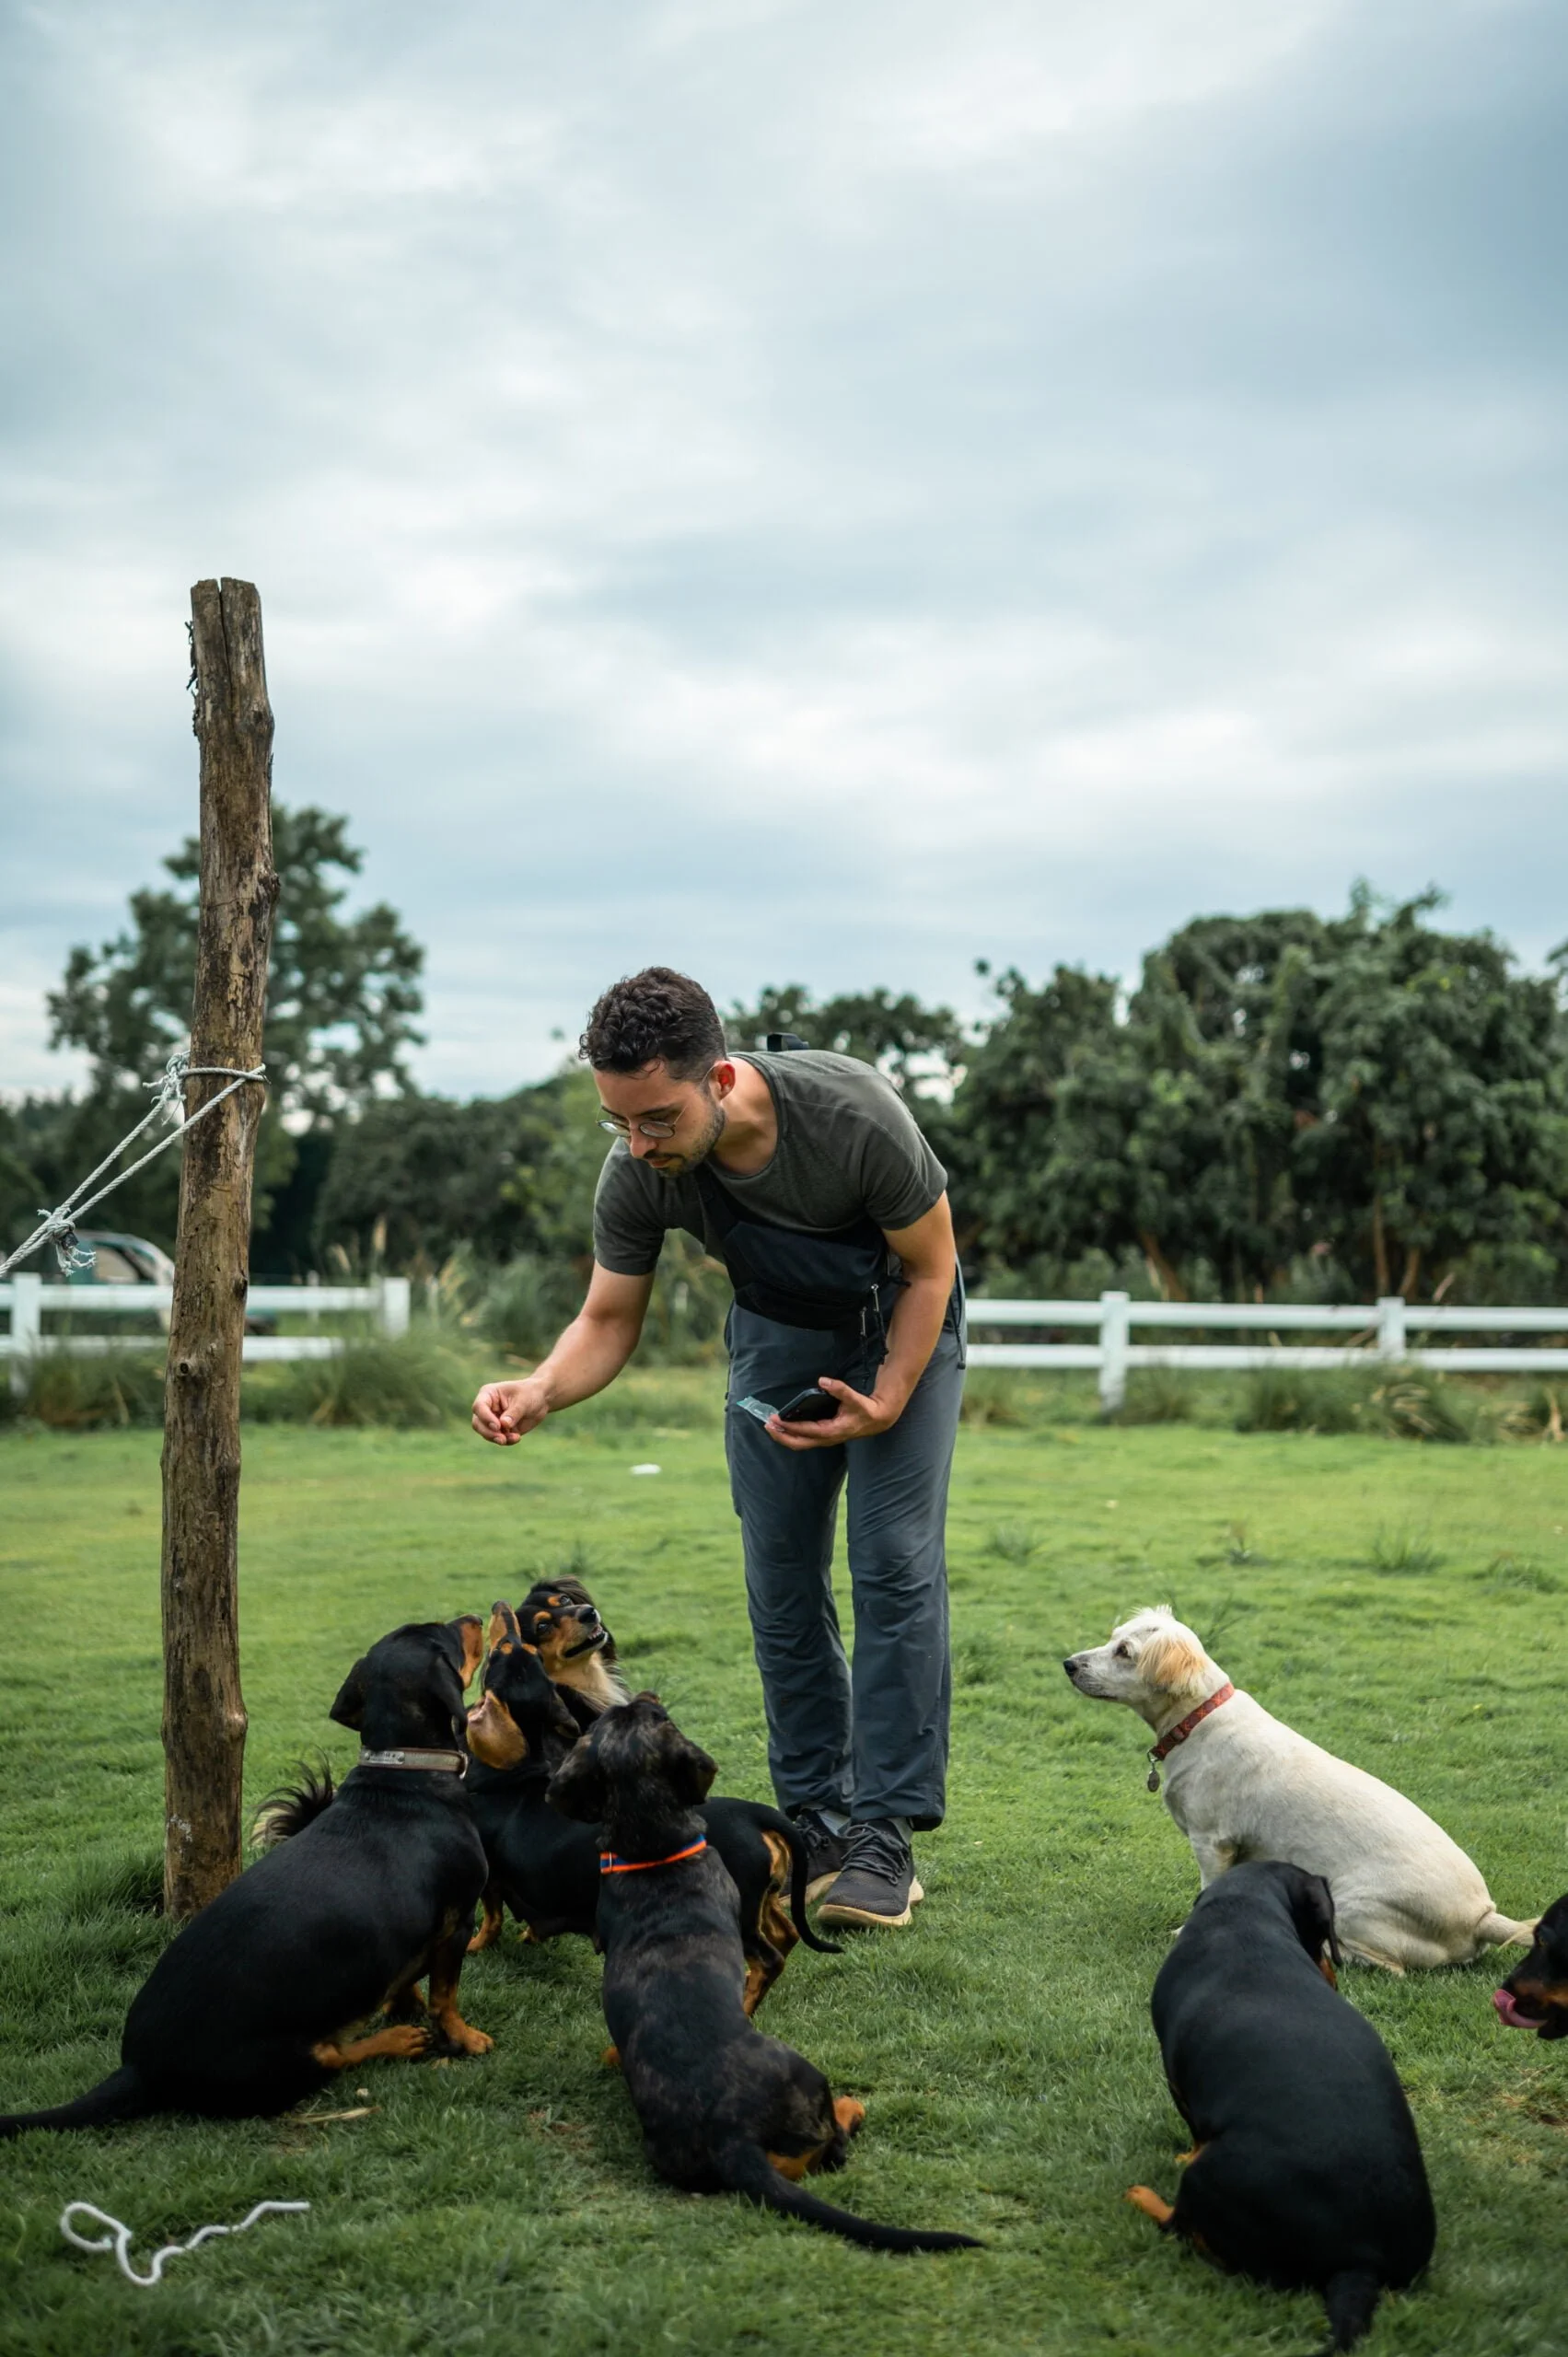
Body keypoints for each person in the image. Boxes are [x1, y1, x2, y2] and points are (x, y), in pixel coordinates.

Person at [472, 967, 965, 1929]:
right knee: (779, 1574)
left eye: (656, 1117)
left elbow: (931, 1265)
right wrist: (538, 1386)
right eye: (618, 1120)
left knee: (891, 1561)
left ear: (722, 1078)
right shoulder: (637, 1170)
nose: (637, 1141)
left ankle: (885, 1835)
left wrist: (887, 1396)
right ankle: (816, 1820)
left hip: (896, 1324)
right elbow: (608, 1318)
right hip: (776, 1334)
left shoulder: (853, 1115)